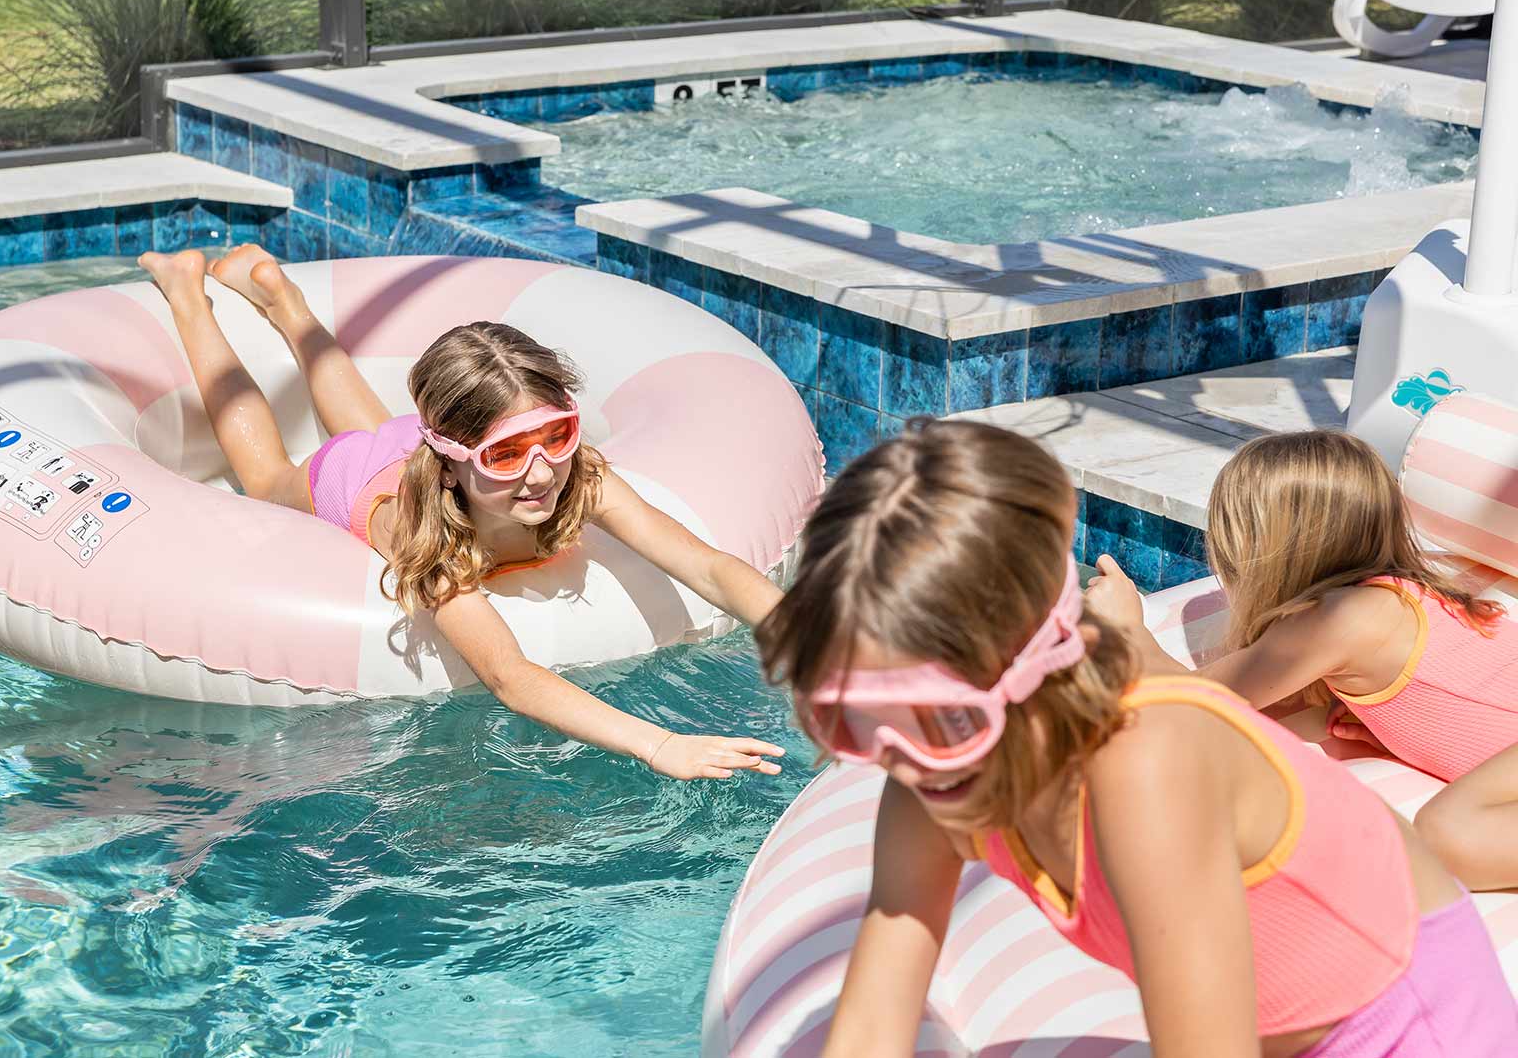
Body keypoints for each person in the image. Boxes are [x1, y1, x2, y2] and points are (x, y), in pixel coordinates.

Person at [756, 419, 1516, 1057]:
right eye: (850, 719)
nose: (898, 758)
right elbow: (868, 1028)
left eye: (944, 718)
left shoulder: (1146, 766)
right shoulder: (927, 780)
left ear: (1039, 661)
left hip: (1414, 1030)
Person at [139, 244, 785, 782]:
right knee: (266, 474)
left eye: (556, 436)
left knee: (376, 420)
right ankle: (186, 293)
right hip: (360, 477)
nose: (540, 473)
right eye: (508, 453)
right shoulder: (422, 534)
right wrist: (660, 743)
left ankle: (288, 305)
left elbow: (706, 565)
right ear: (451, 455)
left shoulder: (576, 475)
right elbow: (510, 675)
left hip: (430, 457)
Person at [1088, 429, 1518, 891]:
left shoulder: (1340, 617)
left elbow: (1190, 704)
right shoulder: (1397, 598)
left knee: (1448, 833)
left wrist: (1128, 626)